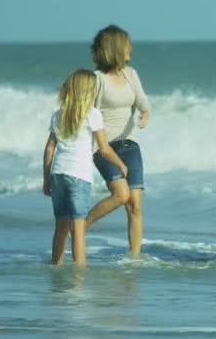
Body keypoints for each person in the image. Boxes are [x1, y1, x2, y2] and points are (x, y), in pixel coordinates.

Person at [43, 69, 128, 266]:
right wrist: (121, 164)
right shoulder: (93, 114)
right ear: (88, 92)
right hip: (79, 176)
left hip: (58, 174)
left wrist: (47, 178)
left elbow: (49, 150)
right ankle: (79, 275)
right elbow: (105, 149)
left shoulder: (58, 115)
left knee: (61, 227)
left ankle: (56, 266)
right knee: (78, 229)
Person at [85, 25, 151, 258]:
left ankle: (134, 259)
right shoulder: (96, 79)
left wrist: (145, 112)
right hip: (103, 147)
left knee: (135, 206)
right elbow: (86, 113)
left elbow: (143, 101)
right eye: (127, 44)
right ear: (116, 48)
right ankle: (80, 226)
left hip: (130, 144)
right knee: (121, 195)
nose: (131, 48)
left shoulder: (130, 74)